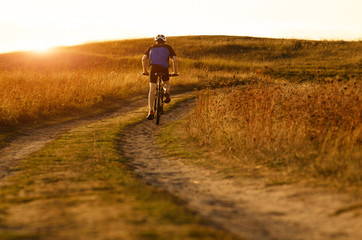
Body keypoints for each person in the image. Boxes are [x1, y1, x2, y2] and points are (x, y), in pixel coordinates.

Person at [142, 34, 178, 120]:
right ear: (164, 41)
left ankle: (150, 111)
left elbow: (143, 59)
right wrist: (175, 72)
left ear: (155, 40)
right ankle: (166, 91)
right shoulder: (168, 47)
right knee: (166, 82)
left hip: (153, 68)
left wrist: (145, 71)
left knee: (152, 89)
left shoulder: (150, 47)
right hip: (164, 68)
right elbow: (175, 60)